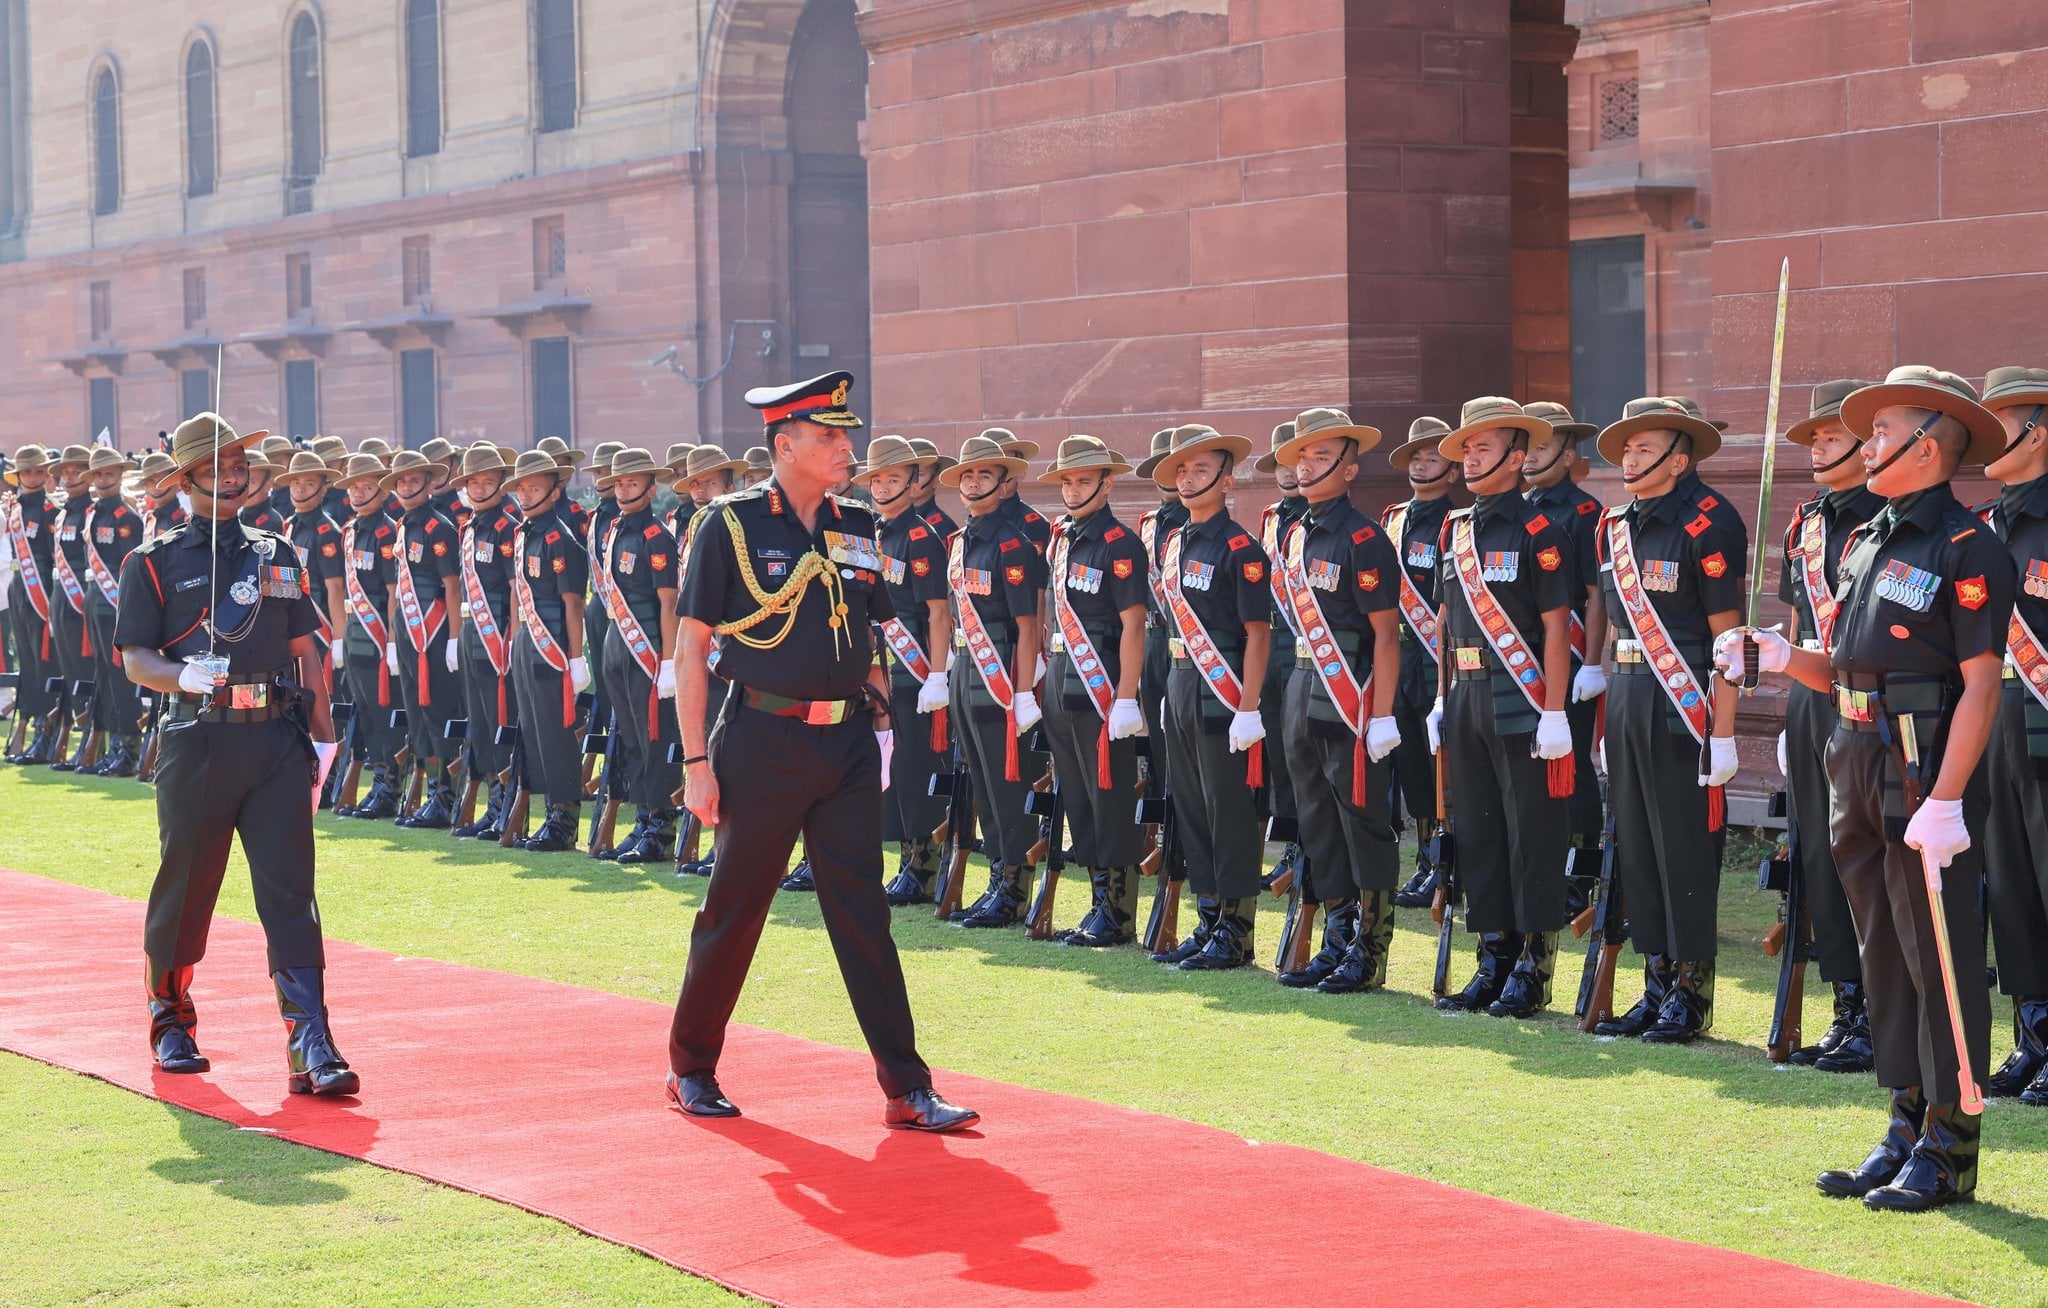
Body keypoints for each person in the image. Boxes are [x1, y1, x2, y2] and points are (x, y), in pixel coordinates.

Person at [1721, 366, 2009, 1212]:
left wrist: (1950, 797)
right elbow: (1842, 665)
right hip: (1854, 750)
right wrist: (1778, 659)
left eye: (1883, 433)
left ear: (1929, 446)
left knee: (1939, 958)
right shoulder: (1864, 539)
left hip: (1924, 761)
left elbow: (1982, 683)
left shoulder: (1966, 546)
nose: (1867, 445)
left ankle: (1951, 1146)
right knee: (1884, 950)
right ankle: (1905, 1121)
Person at [664, 369, 977, 1132]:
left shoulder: (859, 525)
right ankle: (691, 1067)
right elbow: (691, 647)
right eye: (830, 436)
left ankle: (907, 1087)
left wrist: (882, 725)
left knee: (863, 912)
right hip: (760, 739)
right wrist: (695, 764)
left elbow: (868, 631)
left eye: (846, 434)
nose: (846, 448)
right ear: (786, 444)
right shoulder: (730, 525)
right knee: (735, 911)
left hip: (844, 743)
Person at [113, 412, 354, 1096]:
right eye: (213, 464)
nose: (230, 470)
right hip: (199, 738)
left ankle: (310, 1037)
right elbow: (134, 656)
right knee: (187, 886)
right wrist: (177, 675)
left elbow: (308, 650)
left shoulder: (278, 551)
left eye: (237, 461)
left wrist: (325, 739)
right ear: (186, 479)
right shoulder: (152, 561)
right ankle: (171, 1017)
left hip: (275, 739)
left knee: (290, 890)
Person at [1588, 397, 1746, 1043]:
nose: (1629, 458)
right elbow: (1616, 624)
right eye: (1626, 448)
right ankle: (1653, 981)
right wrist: (1602, 718)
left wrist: (1727, 732)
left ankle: (1689, 991)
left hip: (1684, 703)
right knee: (1638, 847)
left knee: (1682, 848)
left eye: (1644, 448)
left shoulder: (1710, 521)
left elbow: (1728, 640)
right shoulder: (1615, 524)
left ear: (1679, 459)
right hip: (1627, 693)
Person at [1426, 399, 1576, 1015]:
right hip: (1462, 696)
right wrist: (1439, 698)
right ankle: (1492, 955)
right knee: (1480, 831)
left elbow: (1557, 628)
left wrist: (1557, 711)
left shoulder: (1540, 533)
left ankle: (1530, 967)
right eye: (1466, 448)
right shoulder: (1454, 530)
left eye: (1483, 448)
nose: (1469, 458)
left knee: (1529, 834)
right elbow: (1442, 622)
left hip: (1521, 697)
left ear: (1517, 458)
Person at [1268, 408, 1403, 991]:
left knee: (1360, 821)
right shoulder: (1297, 532)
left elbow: (1387, 635)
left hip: (1351, 694)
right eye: (1303, 456)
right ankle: (1335, 937)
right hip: (1302, 685)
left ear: (1350, 470)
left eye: (1321, 457)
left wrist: (1383, 715)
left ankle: (1368, 950)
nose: (1307, 466)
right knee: (1316, 819)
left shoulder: (1365, 538)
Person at [1775, 380, 1883, 1070]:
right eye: (1813, 436)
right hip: (1813, 696)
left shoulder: (1887, 518)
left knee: (1866, 858)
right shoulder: (1807, 523)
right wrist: (1787, 705)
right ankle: (1847, 1002)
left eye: (1831, 433)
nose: (1818, 445)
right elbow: (1797, 622)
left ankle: (1881, 1005)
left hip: (1868, 701)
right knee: (1819, 852)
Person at [1147, 423, 1271, 970]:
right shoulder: (1176, 542)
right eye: (1183, 469)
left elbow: (1259, 634)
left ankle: (1237, 930)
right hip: (1180, 684)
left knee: (1228, 812)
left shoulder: (1241, 548)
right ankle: (1208, 917)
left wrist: (1248, 706)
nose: (1189, 478)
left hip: (1224, 692)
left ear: (1228, 478)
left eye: (1201, 468)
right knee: (1191, 808)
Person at [1035, 435, 1150, 945]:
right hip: (1062, 678)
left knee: (1109, 797)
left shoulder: (1120, 544)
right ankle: (1097, 898)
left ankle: (1118, 911)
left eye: (1084, 479)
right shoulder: (1061, 538)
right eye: (1066, 480)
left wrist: (1126, 696)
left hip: (1101, 682)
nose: (1073, 488)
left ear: (1107, 483)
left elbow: (1133, 625)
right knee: (1077, 796)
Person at [930, 434, 1048, 927]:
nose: (974, 483)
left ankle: (1014, 888)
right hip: (967, 672)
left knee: (1007, 785)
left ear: (1005, 484)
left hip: (1002, 673)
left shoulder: (1012, 545)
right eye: (968, 475)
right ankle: (998, 877)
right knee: (981, 780)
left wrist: (1022, 692)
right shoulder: (960, 543)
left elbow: (1026, 626)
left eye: (985, 474)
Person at [1975, 366, 2048, 1103]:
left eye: (2004, 419)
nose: (1986, 434)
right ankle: (2033, 1034)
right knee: (2014, 891)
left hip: (2046, 732)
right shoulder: (1986, 523)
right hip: (1996, 728)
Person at [853, 436, 954, 906]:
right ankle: (898, 862)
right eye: (876, 478)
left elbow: (938, 611)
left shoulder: (920, 537)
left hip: (914, 668)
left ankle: (923, 870)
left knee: (915, 769)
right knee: (886, 766)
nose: (883, 486)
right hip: (877, 667)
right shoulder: (871, 533)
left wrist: (936, 673)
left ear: (914, 482)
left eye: (893, 477)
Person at [1519, 402, 1610, 861]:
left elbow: (1597, 595)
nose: (1531, 456)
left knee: (1572, 764)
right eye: (1528, 446)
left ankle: (1582, 866)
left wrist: (1592, 663)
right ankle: (1550, 855)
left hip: (1571, 655)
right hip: (1523, 653)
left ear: (1569, 454)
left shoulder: (1586, 512)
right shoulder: (1518, 507)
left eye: (1544, 446)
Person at [589, 447, 683, 862]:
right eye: (620, 482)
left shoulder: (655, 536)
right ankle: (643, 817)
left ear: (650, 486)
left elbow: (668, 601)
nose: (624, 489)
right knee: (629, 737)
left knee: (654, 736)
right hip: (616, 644)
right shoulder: (613, 531)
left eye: (633, 482)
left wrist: (667, 661)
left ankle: (660, 826)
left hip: (648, 648)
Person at [1382, 420, 1459, 908]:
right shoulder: (1392, 519)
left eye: (1432, 455)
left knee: (1441, 765)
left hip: (1438, 656)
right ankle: (1425, 861)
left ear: (1452, 470)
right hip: (1401, 652)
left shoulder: (1456, 523)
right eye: (1414, 455)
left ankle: (1446, 860)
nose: (1420, 462)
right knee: (1410, 763)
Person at [507, 449, 593, 852]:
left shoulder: (561, 539)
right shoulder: (525, 532)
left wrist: (576, 658)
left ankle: (565, 818)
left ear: (554, 491)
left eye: (535, 488)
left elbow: (573, 603)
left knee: (556, 732)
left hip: (555, 641)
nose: (525, 495)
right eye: (522, 488)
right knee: (535, 728)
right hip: (529, 639)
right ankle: (548, 811)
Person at [378, 449, 464, 828]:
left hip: (435, 634)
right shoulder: (403, 525)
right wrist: (395, 642)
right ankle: (431, 792)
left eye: (415, 480)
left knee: (436, 713)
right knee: (416, 715)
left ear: (429, 483)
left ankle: (445, 796)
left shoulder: (438, 527)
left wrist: (454, 639)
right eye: (401, 481)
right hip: (409, 635)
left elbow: (452, 585)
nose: (408, 487)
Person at [447, 445, 524, 841]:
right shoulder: (470, 525)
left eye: (488, 481)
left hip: (497, 634)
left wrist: (510, 636)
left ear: (500, 482)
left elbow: (514, 587)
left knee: (500, 722)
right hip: (473, 634)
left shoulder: (507, 525)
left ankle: (508, 807)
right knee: (480, 725)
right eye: (473, 481)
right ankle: (494, 803)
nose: (479, 488)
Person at [1252, 422, 1311, 885]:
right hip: (1272, 646)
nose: (1289, 471)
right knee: (1280, 754)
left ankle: (1314, 845)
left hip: (1309, 652)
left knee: (1305, 754)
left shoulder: (1319, 516)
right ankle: (1292, 845)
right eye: (1282, 464)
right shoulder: (1272, 519)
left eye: (1297, 461)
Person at [334, 452, 406, 819]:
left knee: (384, 710)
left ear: (382, 490)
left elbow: (395, 592)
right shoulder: (350, 531)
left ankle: (390, 785)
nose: (359, 493)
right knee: (365, 710)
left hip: (379, 631)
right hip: (355, 630)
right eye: (354, 487)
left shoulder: (386, 531)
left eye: (367, 486)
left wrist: (393, 641)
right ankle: (379, 780)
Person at [79, 447, 146, 776]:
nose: (103, 479)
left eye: (109, 473)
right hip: (94, 599)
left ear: (119, 476)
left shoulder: (126, 518)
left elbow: (129, 569)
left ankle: (129, 748)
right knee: (103, 675)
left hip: (114, 604)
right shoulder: (93, 513)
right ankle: (112, 746)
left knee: (121, 677)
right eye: (98, 474)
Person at [2, 446, 61, 764]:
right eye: (28, 471)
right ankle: (27, 726)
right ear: (19, 475)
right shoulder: (13, 508)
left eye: (39, 471)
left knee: (44, 663)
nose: (34, 477)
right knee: (26, 661)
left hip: (43, 592)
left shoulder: (52, 510)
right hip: (18, 589)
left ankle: (45, 731)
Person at [45, 445, 96, 770]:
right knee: (68, 668)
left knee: (87, 669)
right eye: (64, 471)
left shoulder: (92, 511)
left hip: (84, 594)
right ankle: (79, 732)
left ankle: (94, 737)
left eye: (76, 470)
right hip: (61, 594)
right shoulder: (63, 513)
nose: (69, 476)